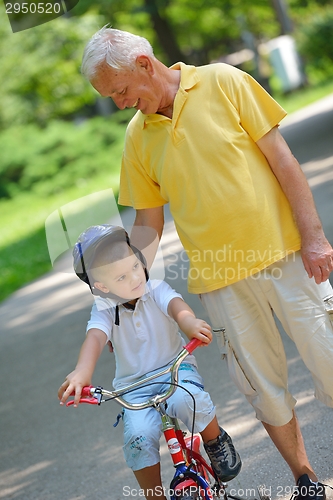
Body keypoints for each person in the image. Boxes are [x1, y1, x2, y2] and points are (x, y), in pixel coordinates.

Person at [79, 27, 333, 499]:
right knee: (263, 387)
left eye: (120, 91)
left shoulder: (223, 81)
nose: (119, 103)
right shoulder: (138, 138)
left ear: (143, 64)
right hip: (220, 282)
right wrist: (119, 301)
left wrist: (315, 237)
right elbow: (147, 229)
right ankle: (306, 479)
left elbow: (284, 161)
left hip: (287, 256)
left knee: (330, 356)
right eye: (110, 97)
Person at [58, 224, 242, 500]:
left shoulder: (155, 289)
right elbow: (95, 339)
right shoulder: (104, 310)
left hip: (176, 369)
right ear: (102, 287)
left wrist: (190, 323)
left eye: (135, 266)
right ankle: (153, 494)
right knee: (138, 437)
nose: (134, 277)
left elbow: (176, 307)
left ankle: (215, 441)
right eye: (122, 276)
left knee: (187, 400)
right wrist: (82, 372)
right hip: (133, 386)